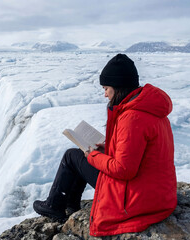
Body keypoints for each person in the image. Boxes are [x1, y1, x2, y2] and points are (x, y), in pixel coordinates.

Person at [33, 54, 177, 237]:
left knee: (72, 156)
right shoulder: (151, 110)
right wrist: (108, 147)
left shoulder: (131, 118)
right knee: (81, 156)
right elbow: (140, 149)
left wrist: (92, 155)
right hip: (155, 193)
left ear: (118, 88)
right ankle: (70, 205)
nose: (105, 94)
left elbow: (124, 170)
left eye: (106, 88)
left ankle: (54, 206)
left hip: (136, 197)